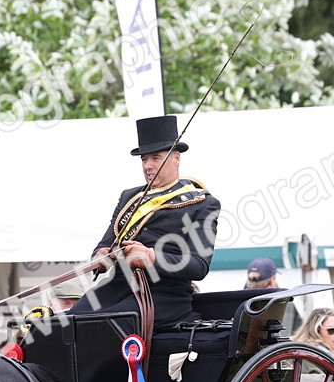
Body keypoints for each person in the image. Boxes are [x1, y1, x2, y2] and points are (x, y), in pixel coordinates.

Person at [69, 114, 221, 331]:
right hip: (116, 288)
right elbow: (106, 244)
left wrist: (151, 257)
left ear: (176, 158)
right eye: (143, 159)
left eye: (156, 158)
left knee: (107, 328)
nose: (148, 166)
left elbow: (199, 266)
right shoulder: (129, 198)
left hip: (165, 296)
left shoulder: (202, 204)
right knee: (66, 325)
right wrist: (100, 256)